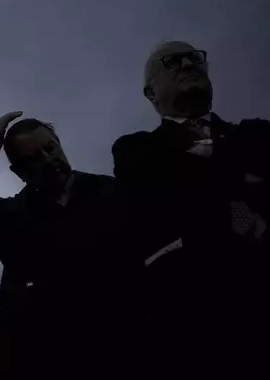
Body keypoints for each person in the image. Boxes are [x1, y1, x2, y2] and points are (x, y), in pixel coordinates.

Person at [112, 40, 270, 365]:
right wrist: (243, 176)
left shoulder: (259, 134)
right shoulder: (135, 150)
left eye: (194, 58)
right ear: (150, 93)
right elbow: (166, 202)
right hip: (189, 332)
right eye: (171, 61)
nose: (187, 65)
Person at [0, 112, 142, 378]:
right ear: (19, 171)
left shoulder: (113, 194)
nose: (48, 159)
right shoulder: (11, 219)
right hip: (35, 362)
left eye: (50, 148)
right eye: (33, 158)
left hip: (117, 356)